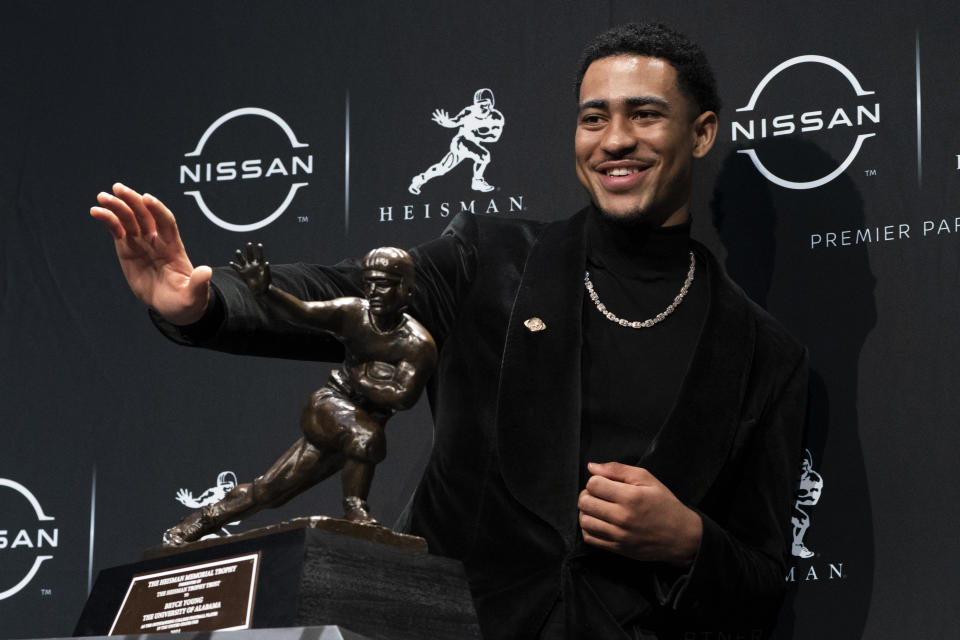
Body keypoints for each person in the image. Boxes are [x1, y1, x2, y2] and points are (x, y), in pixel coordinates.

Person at [91, 23, 807, 640]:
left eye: (645, 115)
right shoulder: (490, 260)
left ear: (702, 130)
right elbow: (345, 300)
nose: (615, 140)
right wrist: (205, 303)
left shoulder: (761, 354)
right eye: (594, 118)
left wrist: (688, 541)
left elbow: (764, 577)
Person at [162, 243, 437, 545]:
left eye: (383, 285)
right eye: (369, 283)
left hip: (358, 422)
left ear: (407, 290)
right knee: (367, 438)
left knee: (270, 491)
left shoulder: (417, 345)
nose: (374, 292)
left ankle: (199, 522)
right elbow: (303, 312)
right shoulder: (353, 313)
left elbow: (402, 397)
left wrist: (363, 381)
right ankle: (356, 509)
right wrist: (266, 291)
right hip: (330, 405)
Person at [408, 88, 505, 194]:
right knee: (484, 156)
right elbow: (455, 121)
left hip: (473, 144)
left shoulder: (497, 117)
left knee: (442, 168)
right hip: (461, 142)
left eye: (486, 103)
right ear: (476, 104)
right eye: (480, 104)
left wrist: (479, 135)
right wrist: (445, 122)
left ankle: (419, 180)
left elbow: (494, 137)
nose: (484, 107)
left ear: (491, 103)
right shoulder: (469, 112)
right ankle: (477, 181)